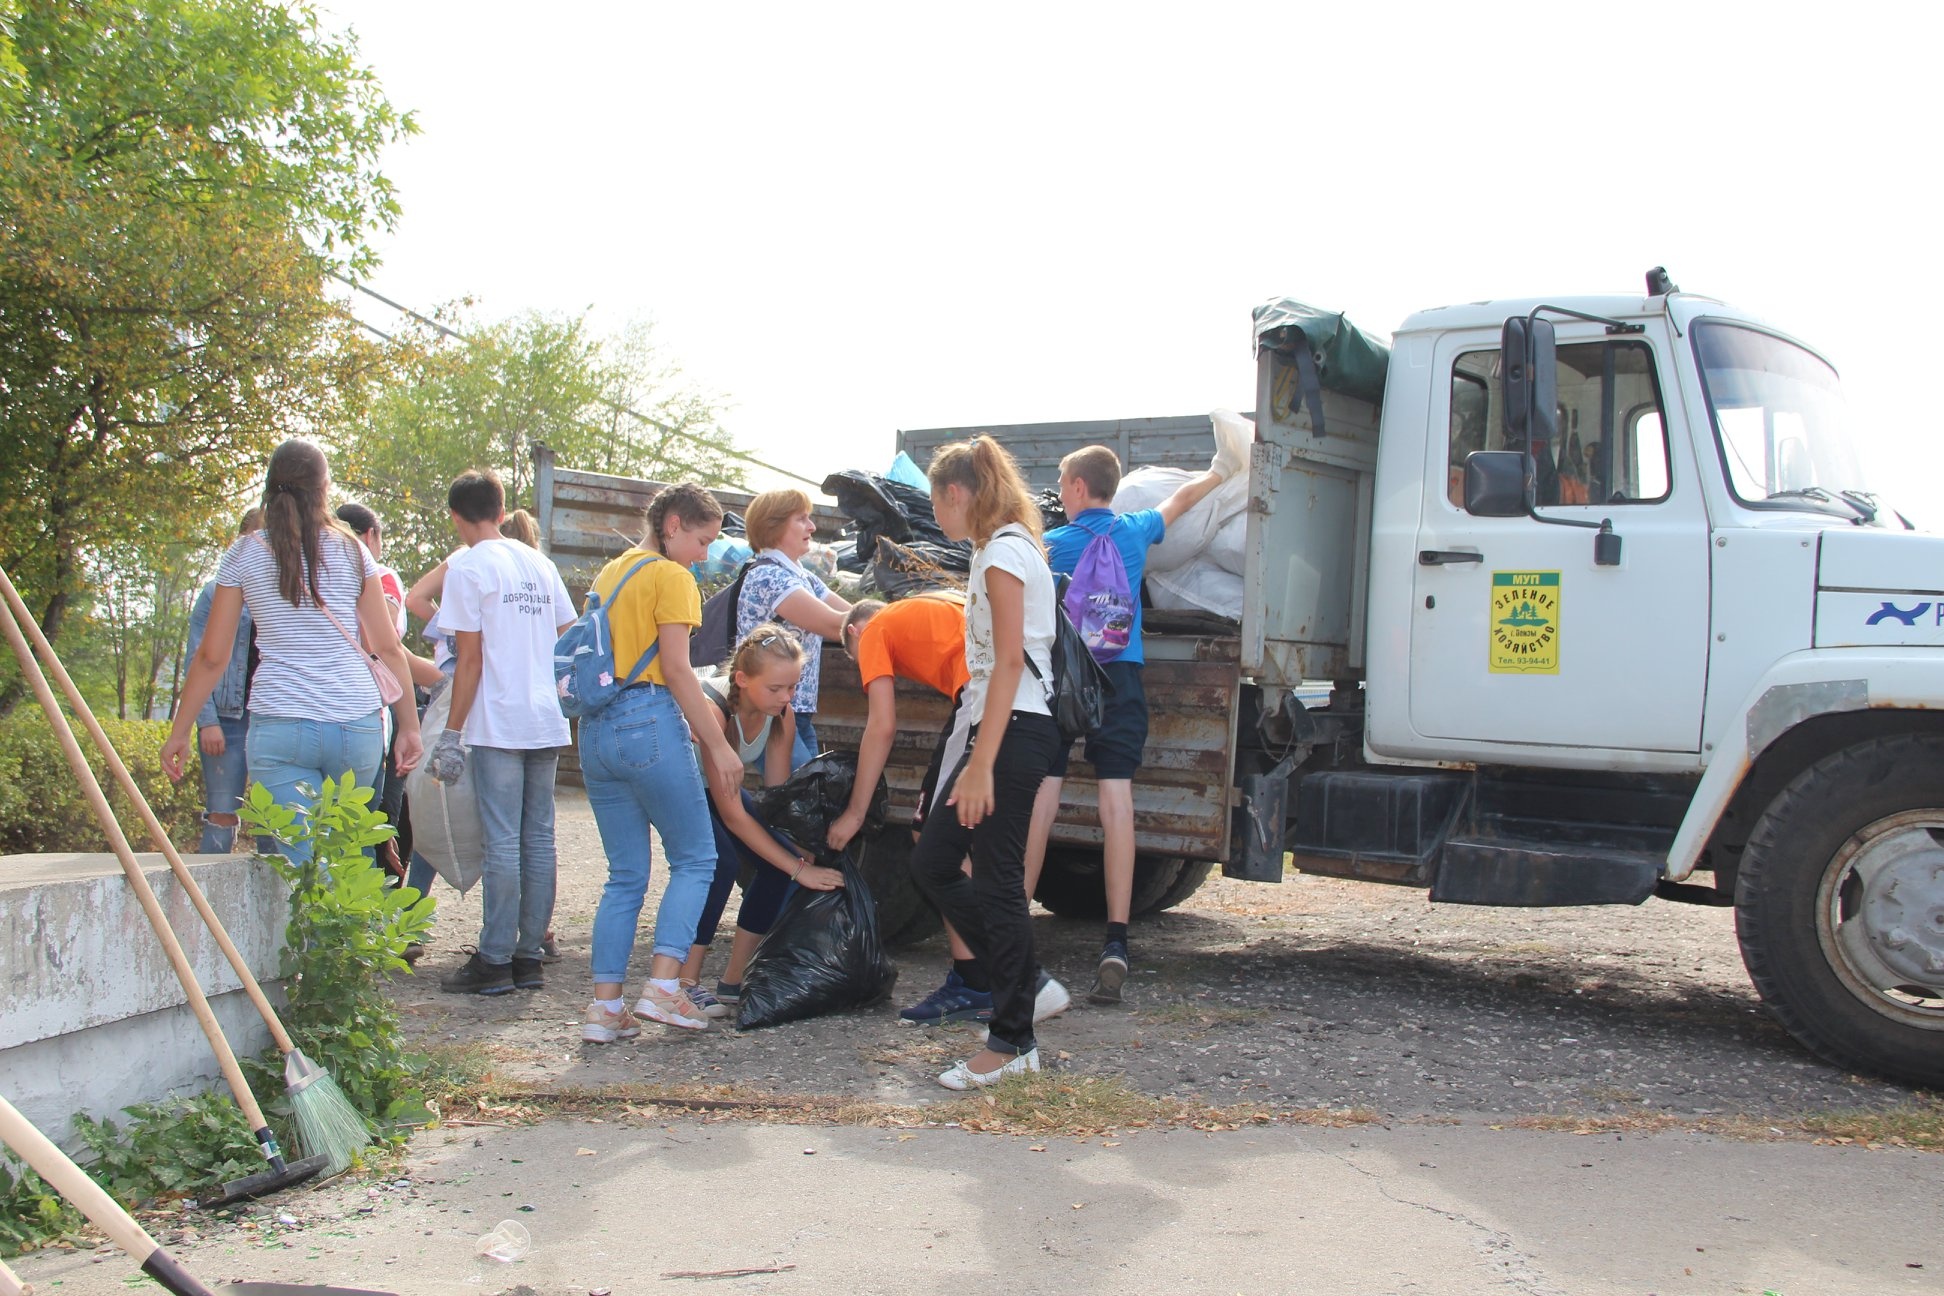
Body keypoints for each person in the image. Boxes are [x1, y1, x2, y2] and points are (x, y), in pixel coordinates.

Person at [1026, 444, 1232, 1004]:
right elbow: (1180, 500)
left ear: (1076, 487)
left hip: (1066, 680)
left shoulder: (1052, 545)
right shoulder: (1135, 532)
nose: (1061, 490)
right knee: (1117, 804)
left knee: (1043, 799)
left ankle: (1016, 929)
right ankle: (1116, 941)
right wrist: (1221, 471)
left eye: (1062, 481)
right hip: (1121, 679)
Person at [163, 439, 423, 859]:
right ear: (324, 489)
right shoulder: (353, 550)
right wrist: (409, 726)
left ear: (269, 487)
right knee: (344, 861)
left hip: (280, 723)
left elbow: (212, 657)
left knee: (305, 866)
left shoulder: (244, 553)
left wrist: (180, 731)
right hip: (355, 723)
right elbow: (388, 647)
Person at [911, 436, 1069, 1090]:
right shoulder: (1001, 548)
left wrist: (980, 762)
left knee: (998, 880)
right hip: (1006, 727)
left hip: (1014, 729)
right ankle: (1026, 983)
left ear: (956, 493)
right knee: (933, 862)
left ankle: (1012, 1041)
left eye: (935, 503)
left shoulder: (1004, 551)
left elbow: (1007, 662)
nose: (935, 516)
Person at [579, 483, 749, 1041]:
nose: (704, 555)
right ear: (673, 525)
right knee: (697, 858)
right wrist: (719, 745)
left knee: (625, 875)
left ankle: (605, 1010)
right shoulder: (672, 577)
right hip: (647, 721)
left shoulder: (611, 573)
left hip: (595, 729)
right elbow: (677, 669)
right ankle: (663, 986)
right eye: (702, 541)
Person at [426, 470, 577, 997]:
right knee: (539, 838)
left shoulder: (468, 567)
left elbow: (469, 661)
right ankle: (528, 956)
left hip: (498, 720)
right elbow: (568, 634)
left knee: (503, 841)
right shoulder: (539, 562)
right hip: (545, 716)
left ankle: (493, 960)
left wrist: (450, 733)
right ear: (500, 509)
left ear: (456, 517)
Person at [826, 594, 1004, 1025]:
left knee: (933, 838)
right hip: (1012, 693)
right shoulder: (928, 607)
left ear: (853, 631)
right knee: (961, 838)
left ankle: (978, 980)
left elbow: (882, 726)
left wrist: (855, 813)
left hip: (982, 694)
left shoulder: (874, 629)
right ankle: (990, 972)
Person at [678, 625, 847, 1017]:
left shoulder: (781, 715)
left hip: (717, 788)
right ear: (742, 679)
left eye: (792, 687)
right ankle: (685, 983)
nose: (786, 697)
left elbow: (775, 799)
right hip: (678, 785)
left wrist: (799, 851)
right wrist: (800, 869)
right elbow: (734, 816)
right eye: (775, 689)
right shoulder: (715, 710)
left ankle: (734, 981)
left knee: (779, 864)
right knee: (720, 862)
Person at [735, 489, 851, 767]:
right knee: (799, 789)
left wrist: (897, 617)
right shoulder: (769, 576)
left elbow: (852, 614)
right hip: (769, 711)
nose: (812, 527)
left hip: (795, 709)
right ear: (773, 526)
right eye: (801, 519)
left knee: (809, 789)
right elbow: (834, 624)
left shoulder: (803, 577)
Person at [181, 507, 264, 854]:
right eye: (257, 537)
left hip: (272, 717)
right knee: (221, 814)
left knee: (275, 819)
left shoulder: (287, 591)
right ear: (241, 541)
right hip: (227, 720)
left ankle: (275, 889)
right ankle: (207, 887)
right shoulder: (215, 593)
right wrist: (207, 721)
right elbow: (197, 659)